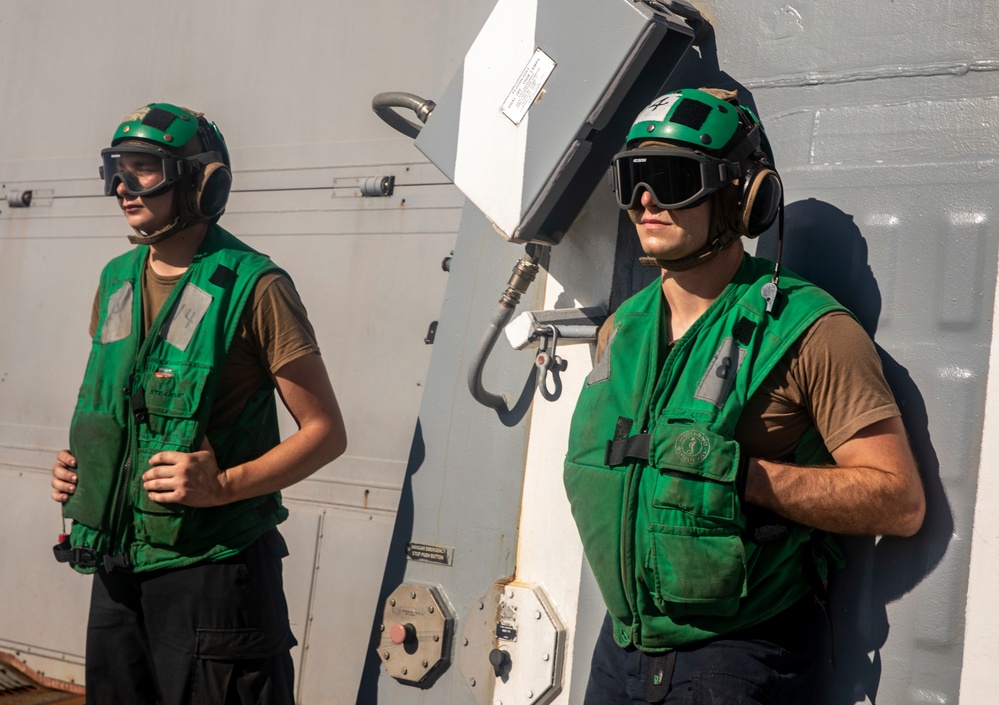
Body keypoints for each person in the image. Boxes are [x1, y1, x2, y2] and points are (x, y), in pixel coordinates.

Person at [563, 88, 925, 704]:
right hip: (620, 646)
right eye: (633, 179)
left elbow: (900, 501)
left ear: (743, 197)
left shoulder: (813, 331)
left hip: (736, 659)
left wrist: (746, 479)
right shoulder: (620, 329)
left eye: (673, 178)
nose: (646, 200)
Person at [49, 102, 347, 705]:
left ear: (202, 183)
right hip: (119, 566)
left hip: (216, 576)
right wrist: (86, 466)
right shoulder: (116, 279)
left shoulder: (256, 286)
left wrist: (225, 484)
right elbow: (124, 404)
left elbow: (326, 432)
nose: (123, 188)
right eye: (116, 169)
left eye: (144, 169)